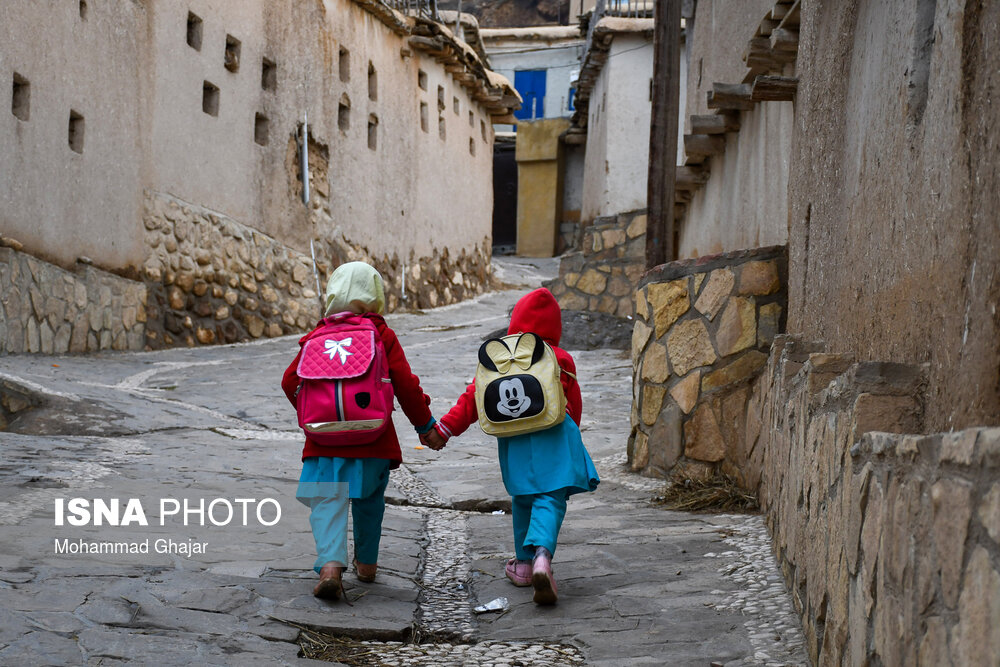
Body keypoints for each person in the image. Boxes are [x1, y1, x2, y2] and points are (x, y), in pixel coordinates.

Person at [422, 287, 599, 605]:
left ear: (515, 325)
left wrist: (444, 430)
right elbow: (574, 404)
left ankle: (523, 565)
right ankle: (543, 556)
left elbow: (473, 399)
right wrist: (575, 434)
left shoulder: (500, 360)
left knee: (523, 498)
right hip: (555, 436)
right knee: (550, 497)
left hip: (514, 442)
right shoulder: (561, 358)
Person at [281, 262, 436, 600]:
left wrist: (313, 412)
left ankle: (331, 567)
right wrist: (425, 426)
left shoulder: (316, 336)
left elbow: (290, 380)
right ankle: (366, 565)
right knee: (368, 503)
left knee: (327, 503)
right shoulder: (380, 334)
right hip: (373, 440)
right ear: (374, 295)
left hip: (323, 442)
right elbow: (406, 385)